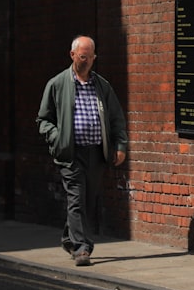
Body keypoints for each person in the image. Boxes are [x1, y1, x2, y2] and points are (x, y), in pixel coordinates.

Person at [37, 35, 127, 267]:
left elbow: (117, 118)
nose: (86, 62)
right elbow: (43, 120)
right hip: (70, 153)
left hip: (96, 152)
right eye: (82, 57)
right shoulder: (57, 84)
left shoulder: (102, 85)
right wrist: (57, 138)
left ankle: (69, 237)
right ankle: (81, 248)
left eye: (90, 58)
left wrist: (120, 145)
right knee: (76, 199)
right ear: (73, 55)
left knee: (87, 201)